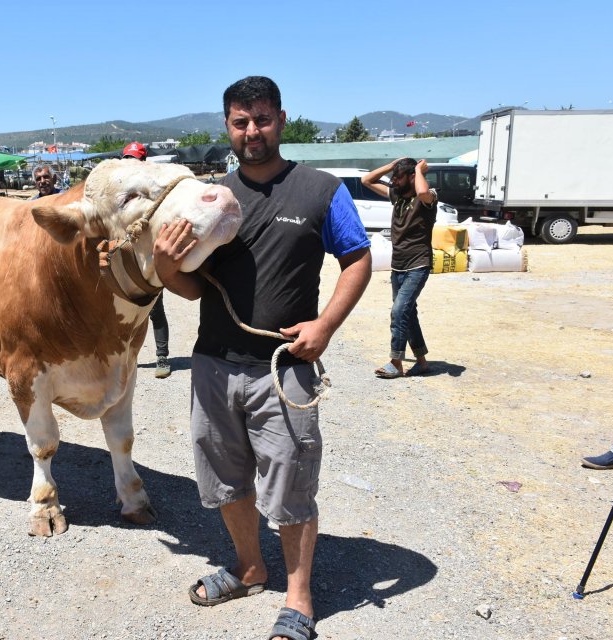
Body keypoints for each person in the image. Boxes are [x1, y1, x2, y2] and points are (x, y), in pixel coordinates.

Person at [154, 76, 371, 640]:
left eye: (263, 119)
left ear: (281, 119)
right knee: (225, 480)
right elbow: (197, 289)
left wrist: (325, 325)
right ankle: (251, 568)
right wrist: (165, 268)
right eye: (240, 122)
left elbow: (358, 259)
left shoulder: (321, 190)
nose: (253, 131)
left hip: (284, 370)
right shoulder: (211, 199)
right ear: (227, 126)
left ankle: (299, 599)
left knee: (291, 485)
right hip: (212, 364)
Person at [362, 157, 437, 379]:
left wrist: (417, 170)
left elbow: (423, 192)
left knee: (398, 311)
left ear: (413, 176)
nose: (393, 180)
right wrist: (392, 165)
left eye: (398, 177)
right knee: (408, 312)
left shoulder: (428, 198)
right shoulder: (396, 195)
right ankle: (421, 362)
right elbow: (366, 180)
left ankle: (396, 361)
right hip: (398, 265)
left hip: (418, 264)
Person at [122, 141, 171, 378]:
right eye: (127, 159)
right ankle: (128, 357)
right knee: (125, 311)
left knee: (155, 310)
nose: (131, 164)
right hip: (124, 260)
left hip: (147, 260)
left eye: (135, 160)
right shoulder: (119, 192)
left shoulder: (154, 193)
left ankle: (162, 357)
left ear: (144, 162)